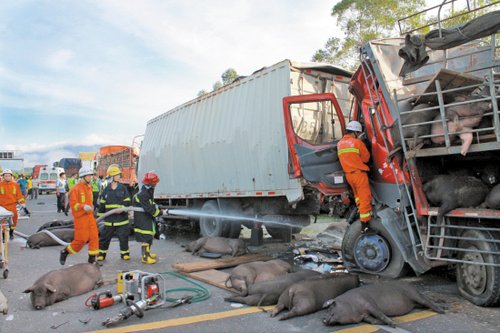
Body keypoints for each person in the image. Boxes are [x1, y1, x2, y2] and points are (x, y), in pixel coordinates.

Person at [337, 120, 373, 233]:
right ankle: (365, 226)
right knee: (365, 198)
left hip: (349, 176)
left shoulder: (340, 144)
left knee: (358, 197)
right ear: (356, 133)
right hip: (358, 174)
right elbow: (366, 159)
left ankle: (360, 215)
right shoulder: (357, 143)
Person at [59, 167, 99, 265]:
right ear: (83, 176)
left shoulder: (89, 187)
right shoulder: (76, 189)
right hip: (81, 218)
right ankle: (65, 252)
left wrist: (91, 207)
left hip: (90, 217)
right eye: (89, 176)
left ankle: (92, 260)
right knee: (81, 239)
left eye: (91, 175)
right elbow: (73, 205)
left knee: (94, 237)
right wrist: (83, 206)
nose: (91, 177)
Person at [97, 165, 131, 262]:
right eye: (116, 175)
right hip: (109, 220)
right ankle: (102, 254)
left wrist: (123, 208)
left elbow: (128, 201)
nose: (119, 176)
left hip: (121, 219)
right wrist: (100, 217)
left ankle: (125, 254)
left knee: (123, 237)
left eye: (118, 174)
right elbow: (102, 204)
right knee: (104, 238)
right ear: (112, 176)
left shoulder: (123, 188)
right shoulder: (106, 190)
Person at [133, 171, 162, 264]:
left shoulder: (148, 189)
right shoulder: (143, 194)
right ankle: (145, 257)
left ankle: (148, 253)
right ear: (150, 182)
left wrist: (156, 206)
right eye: (155, 182)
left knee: (149, 235)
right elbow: (149, 208)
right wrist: (159, 213)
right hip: (142, 217)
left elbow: (150, 203)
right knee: (146, 236)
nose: (156, 184)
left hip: (145, 216)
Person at [0, 169, 26, 239]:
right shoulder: (0, 185)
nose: (7, 177)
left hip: (12, 206)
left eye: (9, 176)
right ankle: (3, 234)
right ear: (3, 177)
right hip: (2, 207)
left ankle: (11, 232)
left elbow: (19, 195)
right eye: (6, 176)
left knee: (14, 219)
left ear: (11, 176)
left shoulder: (16, 185)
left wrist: (23, 203)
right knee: (2, 221)